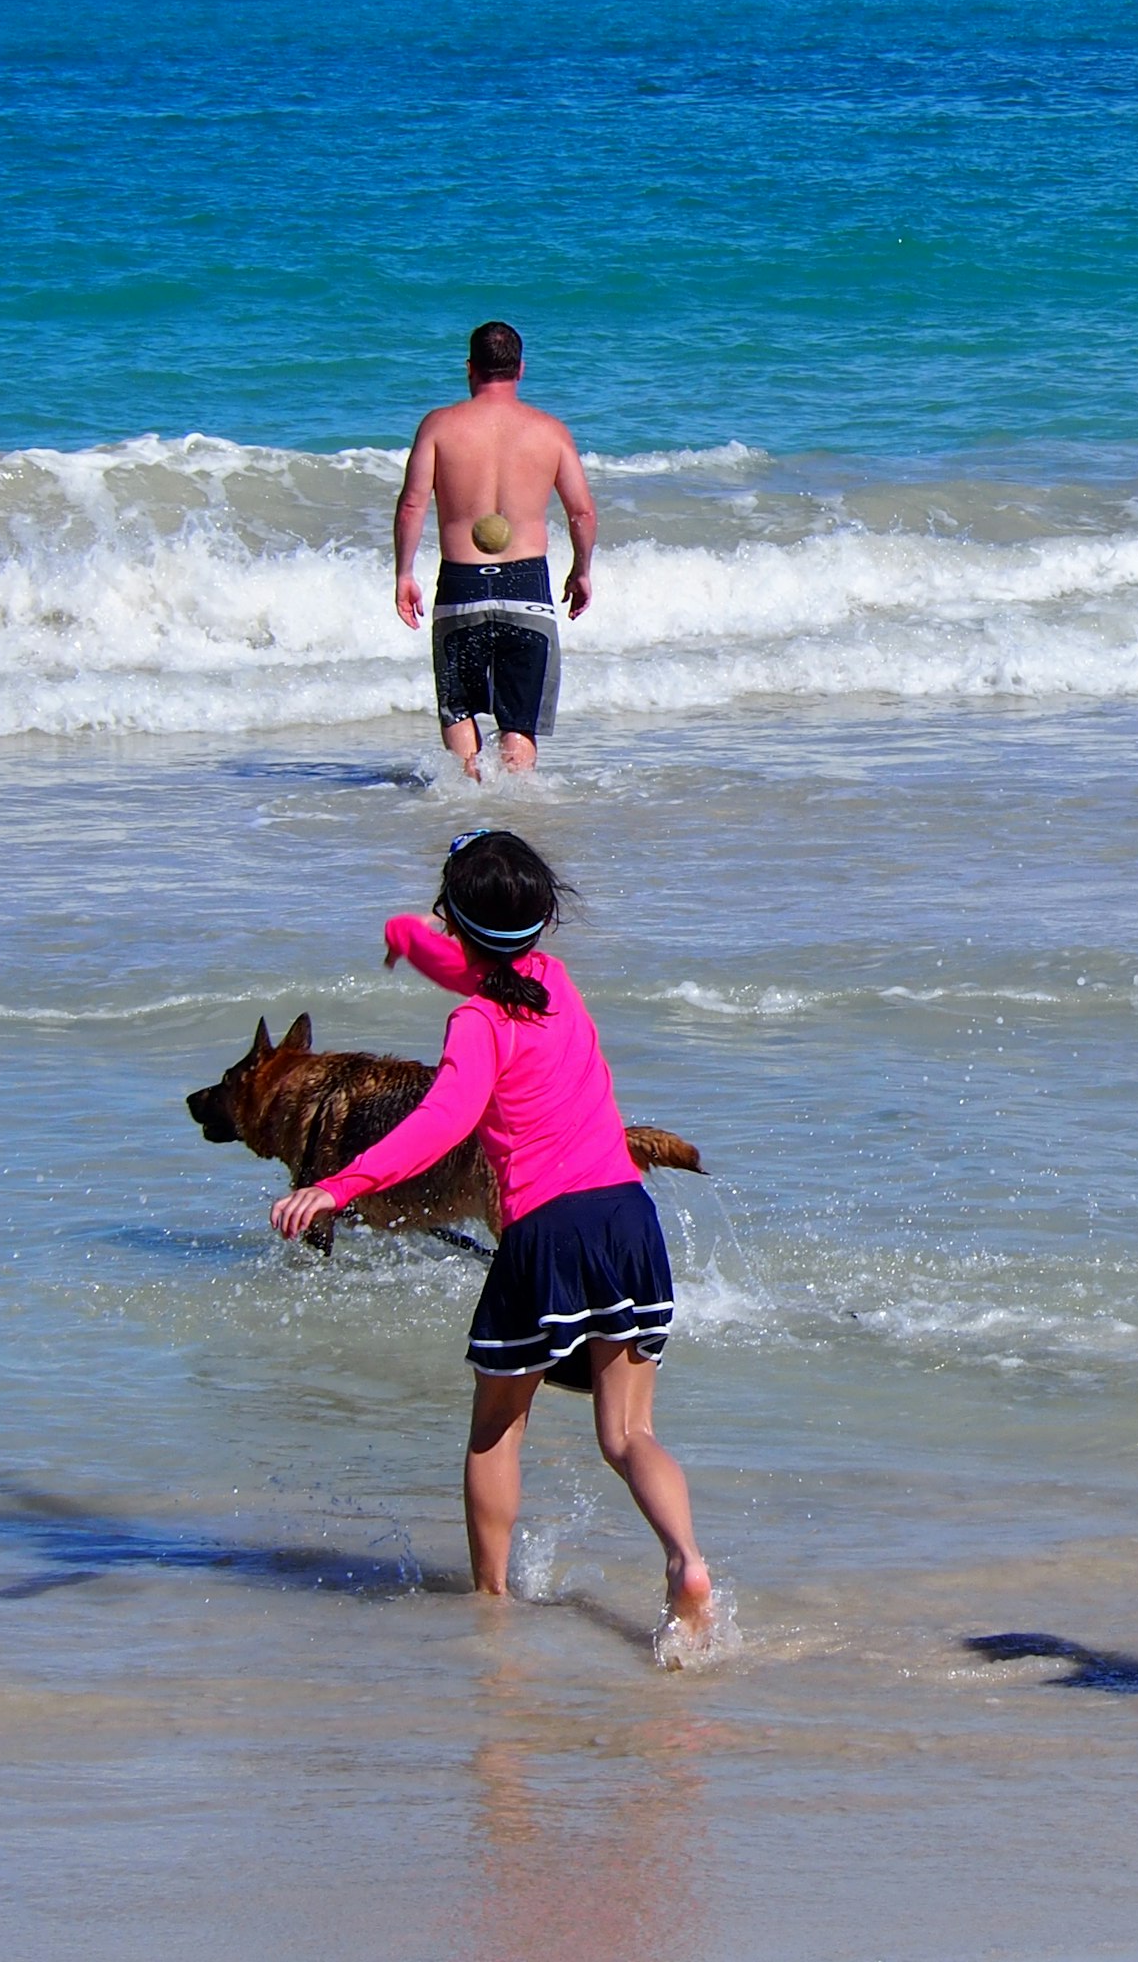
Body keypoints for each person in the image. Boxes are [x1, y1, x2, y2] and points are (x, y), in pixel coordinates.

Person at [267, 828, 715, 1642]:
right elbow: (486, 964)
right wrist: (415, 939)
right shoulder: (556, 981)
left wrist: (335, 1184)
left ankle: (492, 1612)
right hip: (627, 1218)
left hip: (546, 1233)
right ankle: (687, 1559)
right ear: (542, 924)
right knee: (628, 1435)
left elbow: (441, 1121)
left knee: (495, 1429)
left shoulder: (476, 1024)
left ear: (454, 924)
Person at [393, 322, 597, 780]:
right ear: (521, 369)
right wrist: (581, 571)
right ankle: (516, 815)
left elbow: (411, 503)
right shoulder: (550, 431)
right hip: (526, 582)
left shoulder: (439, 426)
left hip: (461, 582)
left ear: (470, 369)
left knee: (459, 709)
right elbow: (582, 513)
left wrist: (404, 573)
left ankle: (469, 806)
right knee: (518, 722)